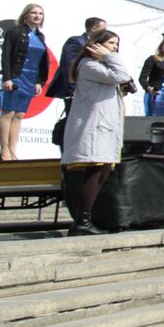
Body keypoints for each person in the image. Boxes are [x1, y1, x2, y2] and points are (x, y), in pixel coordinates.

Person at [61, 29, 137, 235]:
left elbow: (123, 80)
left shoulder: (101, 66)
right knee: (93, 172)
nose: (115, 48)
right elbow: (121, 75)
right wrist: (109, 57)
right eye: (111, 43)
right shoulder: (90, 65)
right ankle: (82, 221)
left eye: (116, 45)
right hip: (94, 127)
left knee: (102, 172)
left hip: (106, 127)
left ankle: (85, 218)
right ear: (97, 45)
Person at [0, 3, 49, 161]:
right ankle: (4, 150)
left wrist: (40, 81)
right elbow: (5, 56)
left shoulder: (40, 36)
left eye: (40, 13)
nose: (37, 16)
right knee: (8, 113)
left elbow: (42, 62)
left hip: (31, 79)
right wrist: (7, 78)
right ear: (26, 15)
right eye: (33, 12)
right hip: (15, 77)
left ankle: (13, 150)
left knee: (19, 114)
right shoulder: (15, 32)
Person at [44, 17, 105, 104]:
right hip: (76, 89)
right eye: (103, 29)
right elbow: (68, 66)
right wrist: (72, 89)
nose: (105, 33)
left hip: (92, 90)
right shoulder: (76, 41)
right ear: (94, 29)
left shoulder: (101, 46)